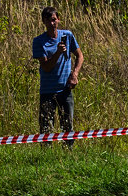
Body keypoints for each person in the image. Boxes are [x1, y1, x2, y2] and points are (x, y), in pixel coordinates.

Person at [32, 6, 83, 143]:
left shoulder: (67, 35)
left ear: (58, 20)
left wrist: (75, 74)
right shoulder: (39, 41)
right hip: (47, 91)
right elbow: (46, 67)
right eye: (48, 20)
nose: (52, 23)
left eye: (54, 20)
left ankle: (68, 154)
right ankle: (46, 157)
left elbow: (80, 55)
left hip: (65, 89)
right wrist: (58, 53)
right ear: (43, 22)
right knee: (46, 129)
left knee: (68, 127)